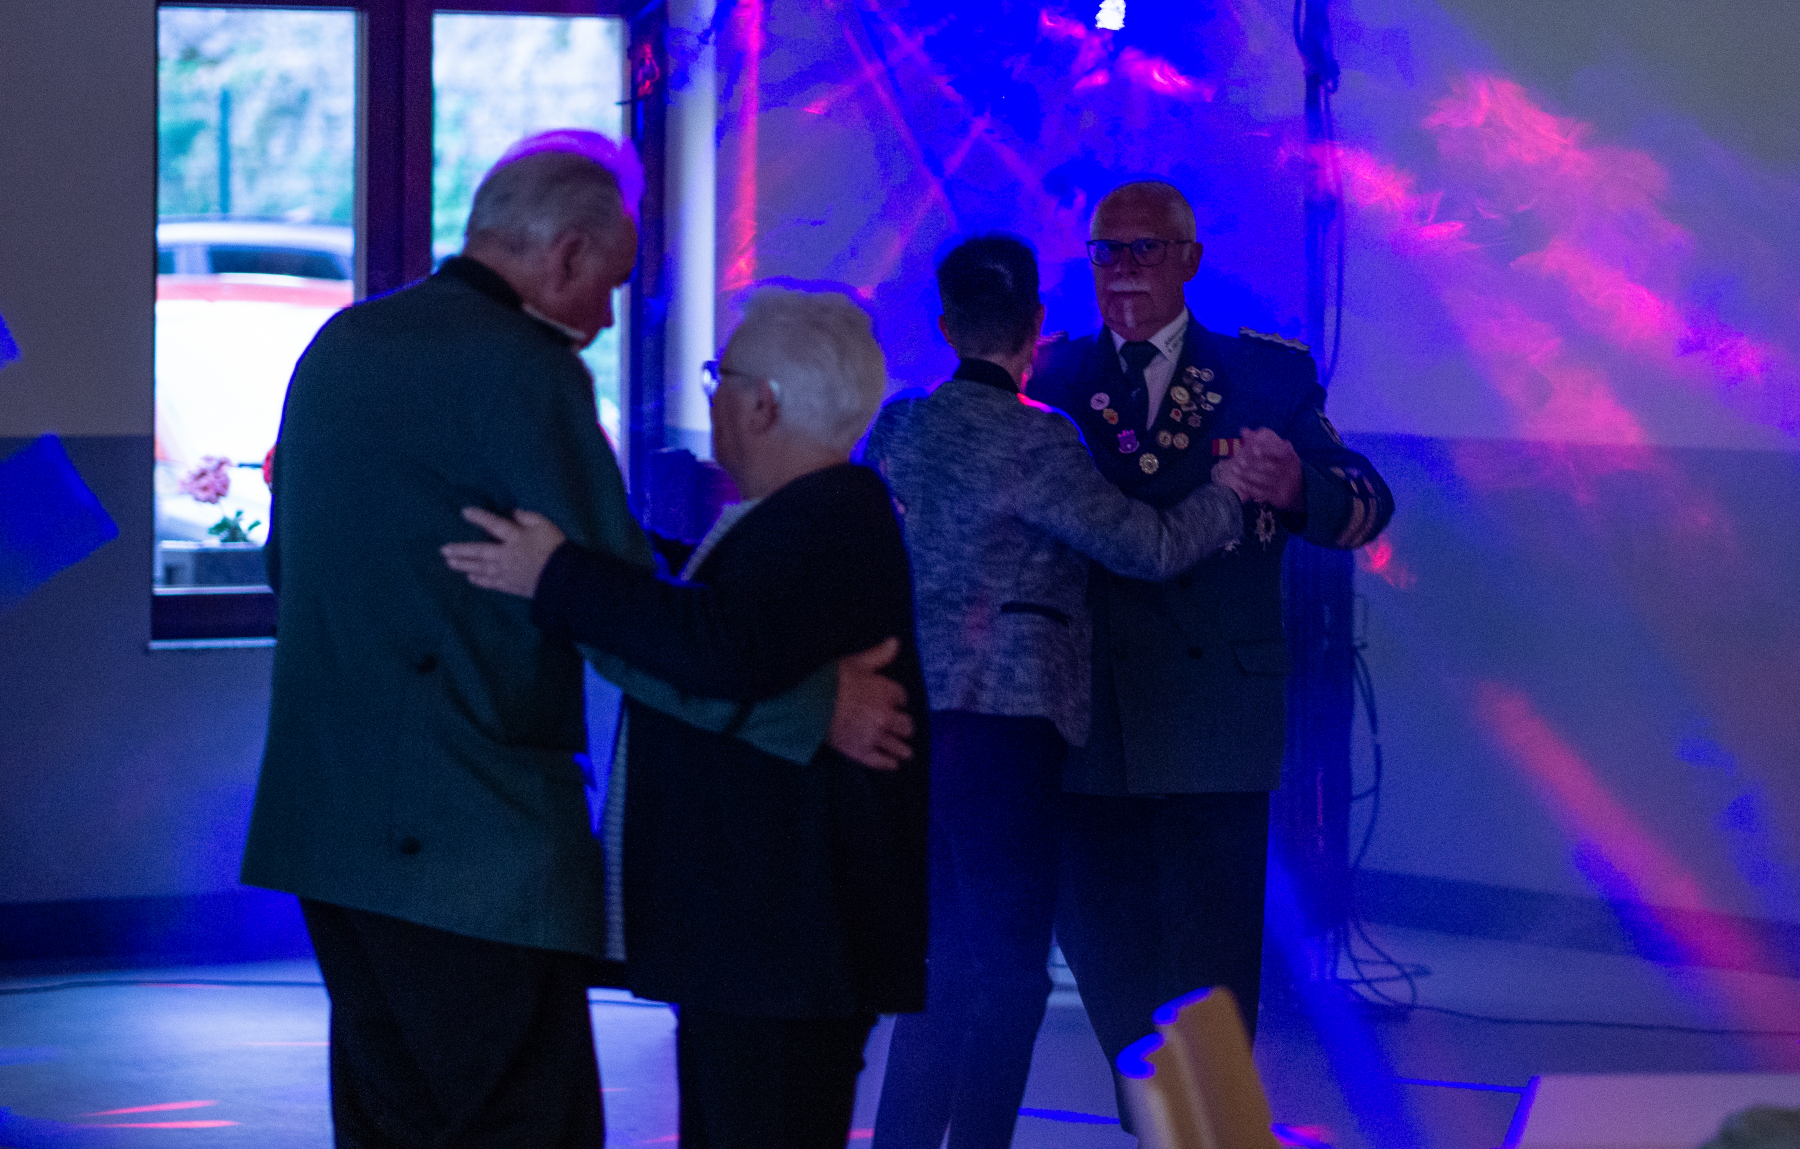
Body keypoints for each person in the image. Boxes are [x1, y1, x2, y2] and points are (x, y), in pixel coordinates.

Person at [241, 135, 911, 1148]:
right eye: (610, 286)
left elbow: (285, 565)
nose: (604, 320)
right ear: (565, 255)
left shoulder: (343, 346)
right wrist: (815, 708)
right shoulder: (521, 369)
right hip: (470, 845)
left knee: (390, 1122)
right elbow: (618, 614)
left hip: (321, 829)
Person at [442, 286, 927, 1149]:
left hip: (781, 943)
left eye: (718, 377)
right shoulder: (816, 514)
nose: (711, 397)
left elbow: (723, 646)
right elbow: (717, 611)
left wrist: (559, 576)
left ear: (762, 402)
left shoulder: (824, 517)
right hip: (770, 942)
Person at [858, 234, 1255, 1149]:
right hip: (1007, 733)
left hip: (912, 724)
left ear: (947, 326)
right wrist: (1229, 494)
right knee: (1010, 976)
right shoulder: (1039, 439)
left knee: (943, 965)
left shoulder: (900, 428)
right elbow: (1147, 547)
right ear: (1037, 324)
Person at [1027, 179, 1395, 1130]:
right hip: (1088, 720)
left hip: (1213, 728)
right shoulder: (1050, 375)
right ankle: (1158, 1127)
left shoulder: (1265, 376)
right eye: (1106, 251)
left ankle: (1205, 1133)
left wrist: (1298, 483)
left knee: (1209, 984)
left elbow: (1368, 502)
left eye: (1145, 249)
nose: (1123, 270)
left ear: (1189, 260)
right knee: (1109, 963)